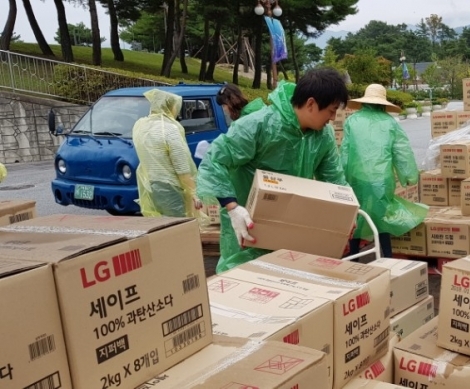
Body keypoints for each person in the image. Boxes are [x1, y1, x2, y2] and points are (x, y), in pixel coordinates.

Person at [197, 67, 350, 273]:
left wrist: (347, 216)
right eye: (331, 111)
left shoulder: (323, 136)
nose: (332, 118)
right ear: (311, 104)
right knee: (243, 283)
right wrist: (232, 207)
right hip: (248, 224)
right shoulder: (259, 125)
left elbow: (335, 179)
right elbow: (215, 160)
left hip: (293, 225)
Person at [340, 84, 428, 258]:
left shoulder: (352, 121)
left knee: (356, 216)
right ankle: (387, 256)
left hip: (356, 177)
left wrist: (341, 178)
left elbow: (344, 151)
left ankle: (355, 257)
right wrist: (409, 177)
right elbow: (402, 151)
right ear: (383, 103)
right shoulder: (389, 123)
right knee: (383, 216)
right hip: (382, 178)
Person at [132, 88, 202, 218]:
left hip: (151, 185)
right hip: (170, 187)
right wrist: (194, 193)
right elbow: (181, 166)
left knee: (159, 226)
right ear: (171, 107)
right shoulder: (169, 130)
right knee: (176, 227)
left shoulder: (140, 126)